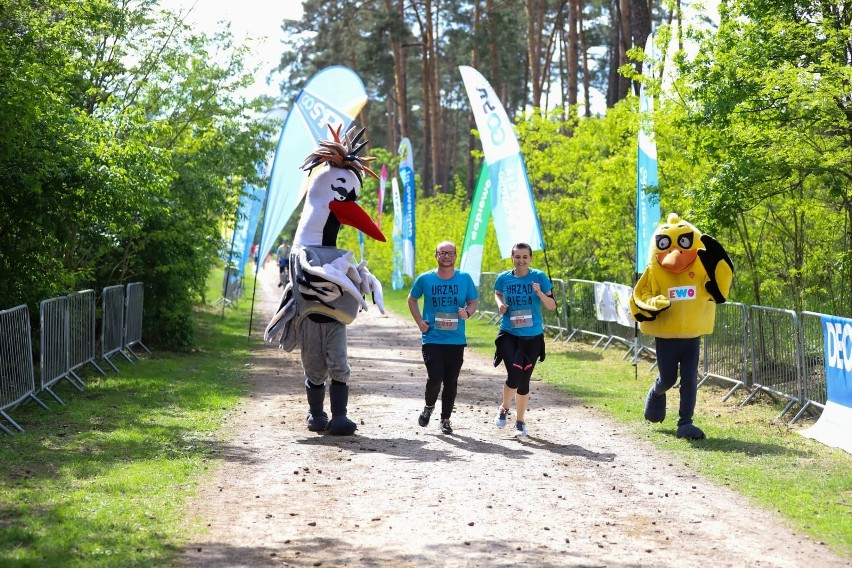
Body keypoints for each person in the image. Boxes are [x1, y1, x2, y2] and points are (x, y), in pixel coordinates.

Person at [408, 241, 478, 434]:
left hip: (456, 340)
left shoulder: (464, 278)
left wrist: (468, 313)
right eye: (442, 253)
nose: (446, 256)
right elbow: (412, 299)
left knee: (451, 381)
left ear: (455, 256)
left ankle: (445, 419)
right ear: (436, 255)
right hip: (432, 339)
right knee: (435, 378)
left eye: (450, 253)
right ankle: (428, 407)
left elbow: (472, 301)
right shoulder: (425, 279)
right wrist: (420, 321)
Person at [492, 242, 557, 436]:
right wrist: (500, 304)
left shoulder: (539, 278)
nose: (521, 261)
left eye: (524, 257)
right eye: (517, 257)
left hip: (533, 336)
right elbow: (497, 293)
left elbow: (552, 306)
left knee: (524, 381)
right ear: (512, 258)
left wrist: (538, 292)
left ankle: (520, 421)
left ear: (530, 259)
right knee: (514, 375)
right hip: (509, 334)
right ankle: (504, 408)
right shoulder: (503, 278)